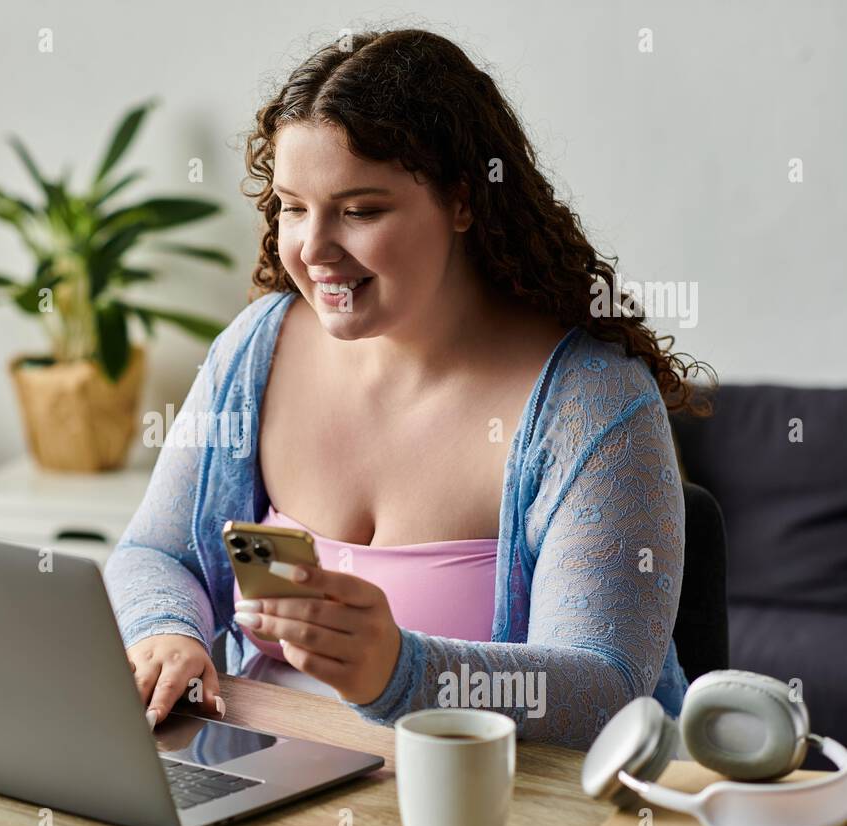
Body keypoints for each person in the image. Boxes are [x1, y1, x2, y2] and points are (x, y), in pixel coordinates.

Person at [103, 28, 715, 750]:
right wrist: (166, 633)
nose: (313, 248)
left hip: (482, 815)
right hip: (262, 786)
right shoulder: (256, 349)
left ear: (463, 201)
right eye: (293, 207)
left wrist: (401, 672)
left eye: (360, 211)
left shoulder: (595, 405)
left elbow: (604, 688)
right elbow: (157, 553)